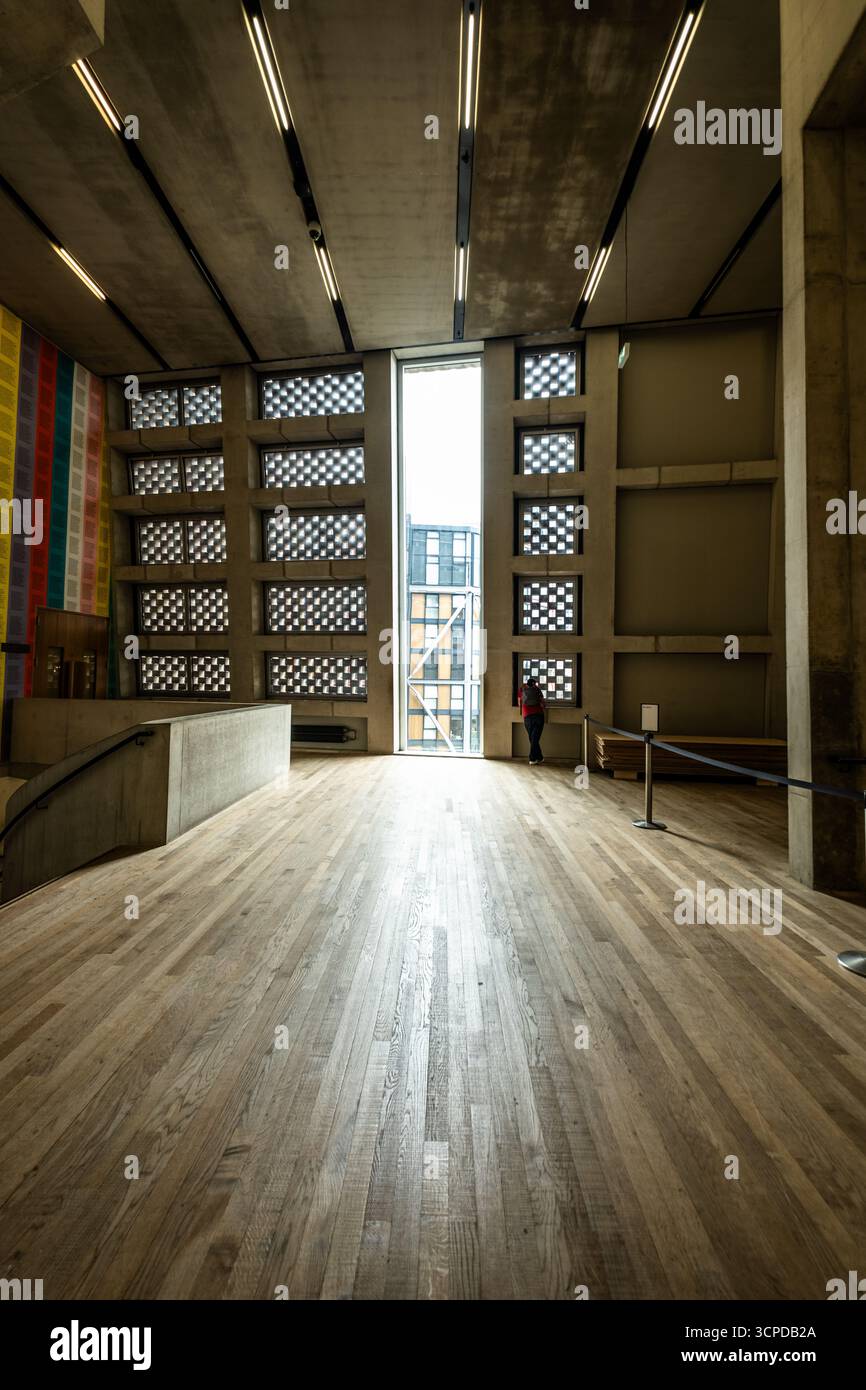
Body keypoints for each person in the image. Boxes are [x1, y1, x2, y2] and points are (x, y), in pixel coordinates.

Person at [518, 674, 546, 765]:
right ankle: (536, 757)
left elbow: (519, 703)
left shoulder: (522, 690)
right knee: (535, 738)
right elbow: (543, 704)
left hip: (527, 716)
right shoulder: (538, 690)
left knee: (532, 738)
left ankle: (535, 758)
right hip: (538, 715)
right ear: (534, 684)